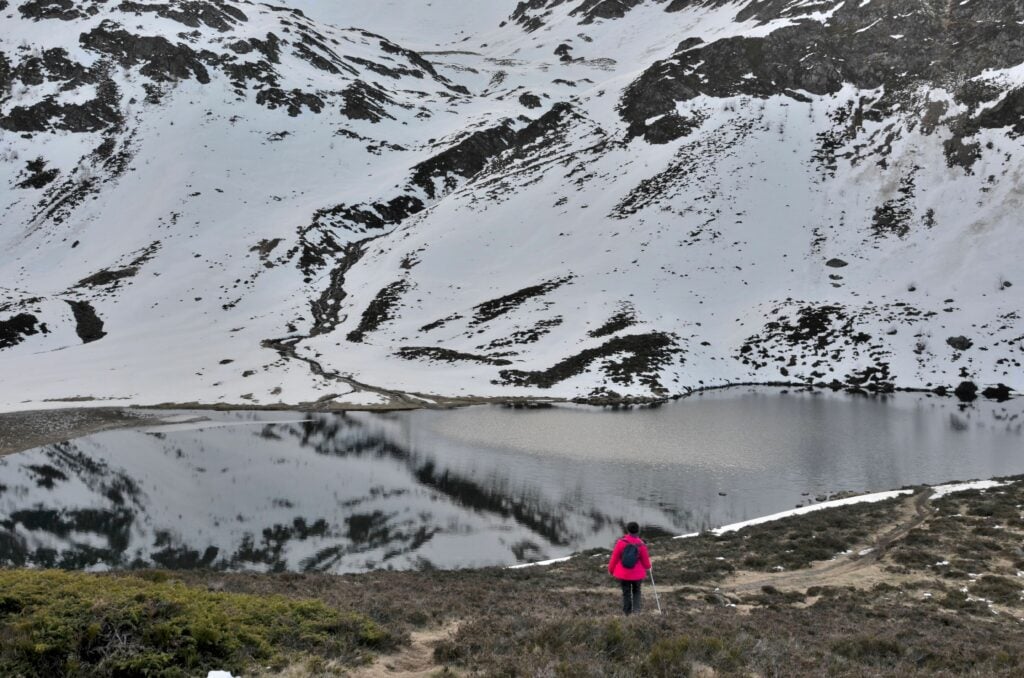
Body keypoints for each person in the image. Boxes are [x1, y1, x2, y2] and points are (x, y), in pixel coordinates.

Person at [607, 521, 651, 615]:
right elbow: (646, 562)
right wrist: (648, 567)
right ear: (637, 531)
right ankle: (636, 612)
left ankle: (627, 613)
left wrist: (611, 570)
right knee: (636, 592)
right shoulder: (641, 544)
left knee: (626, 593)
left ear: (628, 530)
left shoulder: (621, 542)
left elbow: (614, 558)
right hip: (637, 575)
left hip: (624, 574)